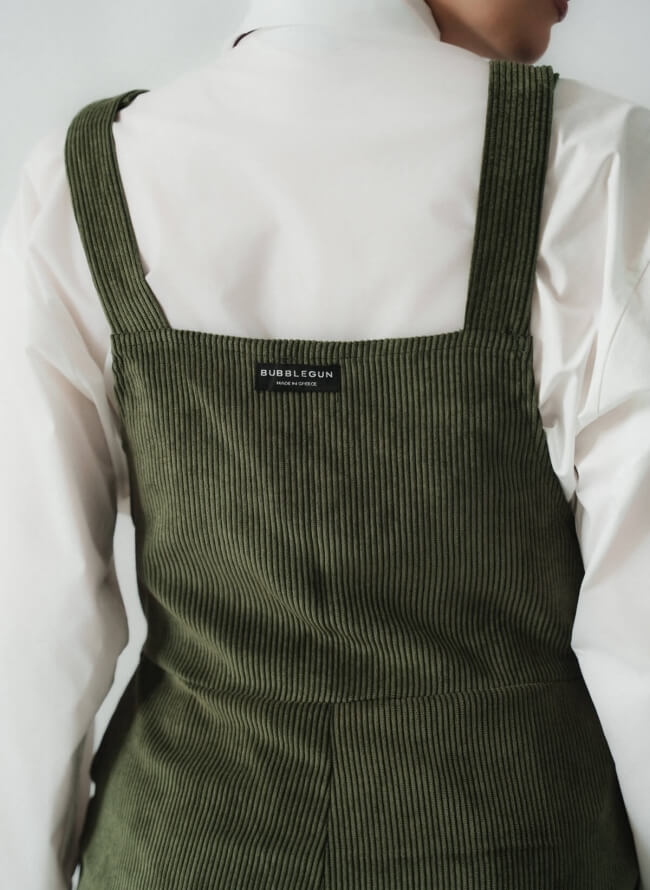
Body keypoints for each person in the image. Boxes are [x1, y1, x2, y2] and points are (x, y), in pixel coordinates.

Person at [1, 0, 649, 887]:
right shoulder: (598, 164)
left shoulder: (85, 178)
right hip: (515, 845)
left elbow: (35, 616)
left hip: (181, 848)